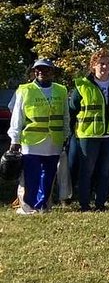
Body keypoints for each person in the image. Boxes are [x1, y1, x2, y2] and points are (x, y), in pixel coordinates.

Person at [7, 59, 68, 214]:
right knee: (31, 176)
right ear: (34, 72)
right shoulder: (25, 90)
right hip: (31, 141)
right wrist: (14, 139)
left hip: (54, 141)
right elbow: (16, 115)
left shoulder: (61, 90)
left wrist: (66, 135)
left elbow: (65, 115)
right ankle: (28, 206)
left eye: (46, 69)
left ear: (52, 72)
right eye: (38, 69)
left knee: (48, 176)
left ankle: (42, 205)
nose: (42, 72)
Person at [70, 48, 109, 213]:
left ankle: (100, 203)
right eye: (101, 63)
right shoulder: (82, 85)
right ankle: (84, 204)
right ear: (93, 65)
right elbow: (72, 109)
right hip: (88, 134)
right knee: (87, 171)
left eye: (108, 63)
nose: (104, 67)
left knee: (105, 171)